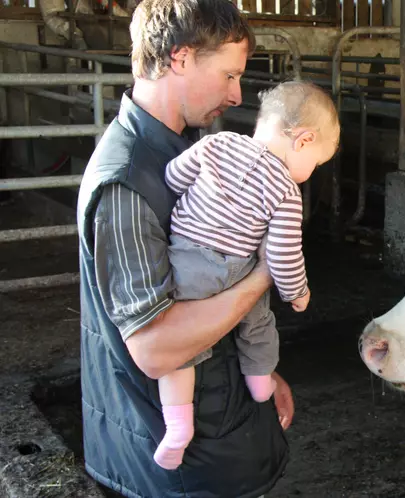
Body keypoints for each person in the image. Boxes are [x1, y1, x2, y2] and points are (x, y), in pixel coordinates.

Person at [76, 1, 293, 496]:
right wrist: (265, 272)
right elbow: (156, 349)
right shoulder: (127, 181)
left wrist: (255, 371)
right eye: (229, 75)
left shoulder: (185, 146)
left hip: (221, 429)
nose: (237, 95)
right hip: (179, 471)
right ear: (179, 57)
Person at [153, 81, 339, 470]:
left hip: (186, 262)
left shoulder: (216, 144)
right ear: (303, 141)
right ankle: (260, 386)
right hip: (237, 270)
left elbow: (172, 178)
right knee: (257, 322)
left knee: (182, 351)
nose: (311, 172)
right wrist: (298, 294)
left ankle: (177, 426)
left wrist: (198, 206)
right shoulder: (286, 193)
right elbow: (283, 257)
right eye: (317, 163)